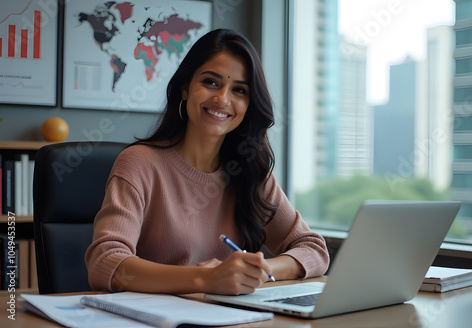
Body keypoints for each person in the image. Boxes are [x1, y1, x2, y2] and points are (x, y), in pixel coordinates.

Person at [85, 28, 329, 295]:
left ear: (249, 104)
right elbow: (106, 262)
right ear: (186, 88)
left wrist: (257, 270)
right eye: (211, 82)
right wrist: (204, 279)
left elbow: (313, 249)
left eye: (238, 90)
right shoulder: (139, 163)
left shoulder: (251, 172)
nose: (222, 99)